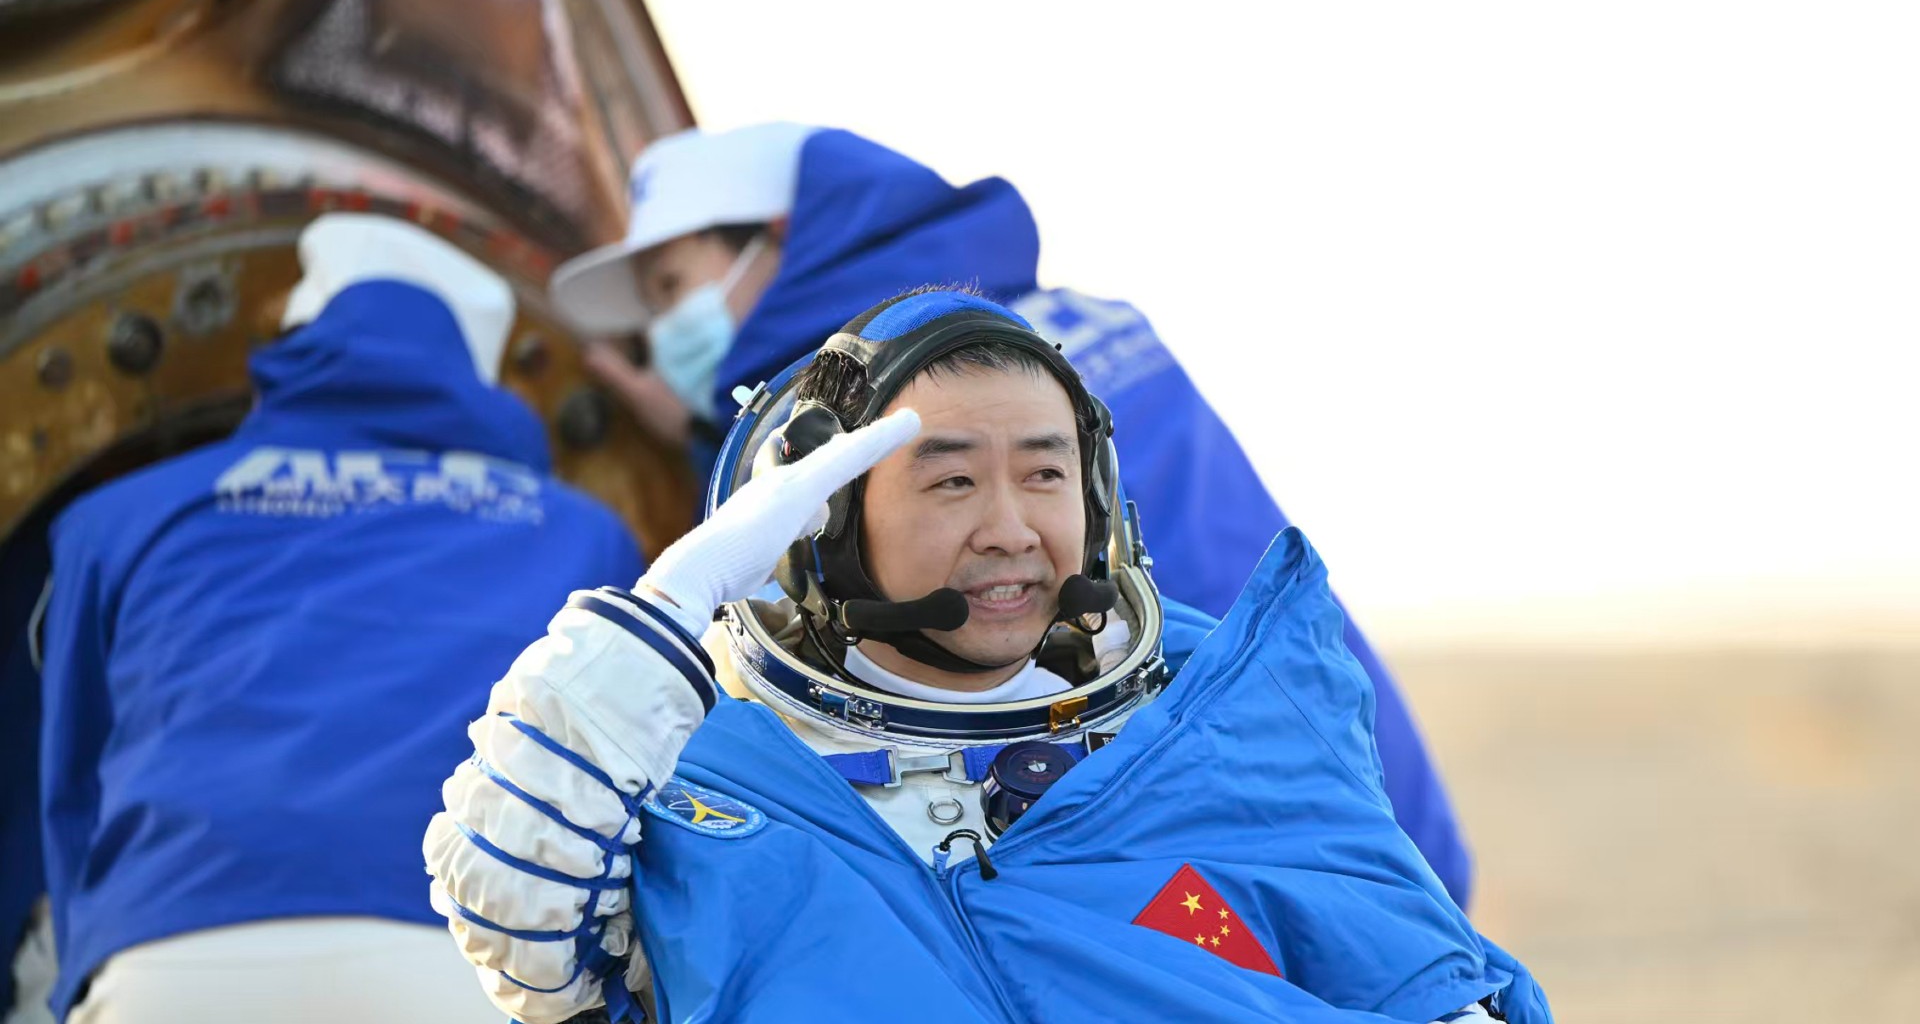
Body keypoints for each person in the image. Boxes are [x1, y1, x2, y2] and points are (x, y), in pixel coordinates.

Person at [424, 290, 1548, 1024]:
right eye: (951, 479)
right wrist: (678, 596)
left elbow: (1426, 984)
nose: (1011, 526)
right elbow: (514, 910)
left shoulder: (1219, 734)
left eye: (1047, 474)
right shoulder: (704, 795)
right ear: (822, 521)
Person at [548, 123, 1471, 903]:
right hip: (1356, 804)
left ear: (785, 239)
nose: (668, 330)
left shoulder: (878, 422)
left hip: (1219, 849)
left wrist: (742, 445)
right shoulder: (1077, 332)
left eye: (675, 286)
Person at [35, 214, 645, 1023]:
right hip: (473, 964)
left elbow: (73, 776)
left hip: (176, 944)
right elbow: (635, 770)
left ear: (294, 345)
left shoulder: (118, 516)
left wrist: (89, 956)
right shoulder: (586, 533)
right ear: (477, 375)